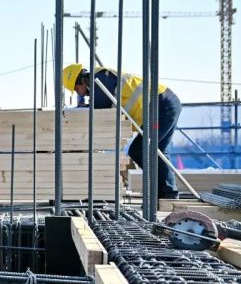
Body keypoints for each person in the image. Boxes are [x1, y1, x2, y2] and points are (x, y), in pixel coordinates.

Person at [61, 63, 182, 199]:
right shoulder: (100, 80)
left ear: (81, 82)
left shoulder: (98, 81)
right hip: (164, 102)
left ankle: (164, 193)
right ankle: (167, 194)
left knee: (140, 150)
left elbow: (100, 110)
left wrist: (75, 111)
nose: (78, 93)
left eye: (77, 90)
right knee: (157, 150)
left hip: (160, 105)